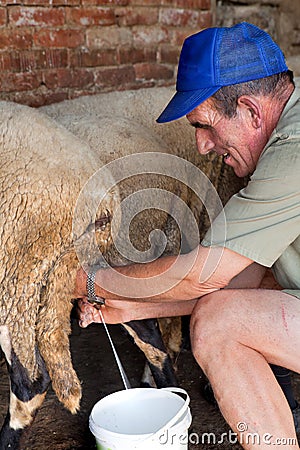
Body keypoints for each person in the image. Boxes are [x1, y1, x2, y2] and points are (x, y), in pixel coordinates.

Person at [75, 22, 300, 449]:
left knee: (219, 324)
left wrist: (85, 280)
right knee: (225, 312)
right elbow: (251, 279)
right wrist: (129, 307)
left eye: (205, 125)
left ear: (252, 111)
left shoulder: (295, 150)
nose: (200, 145)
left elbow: (205, 275)